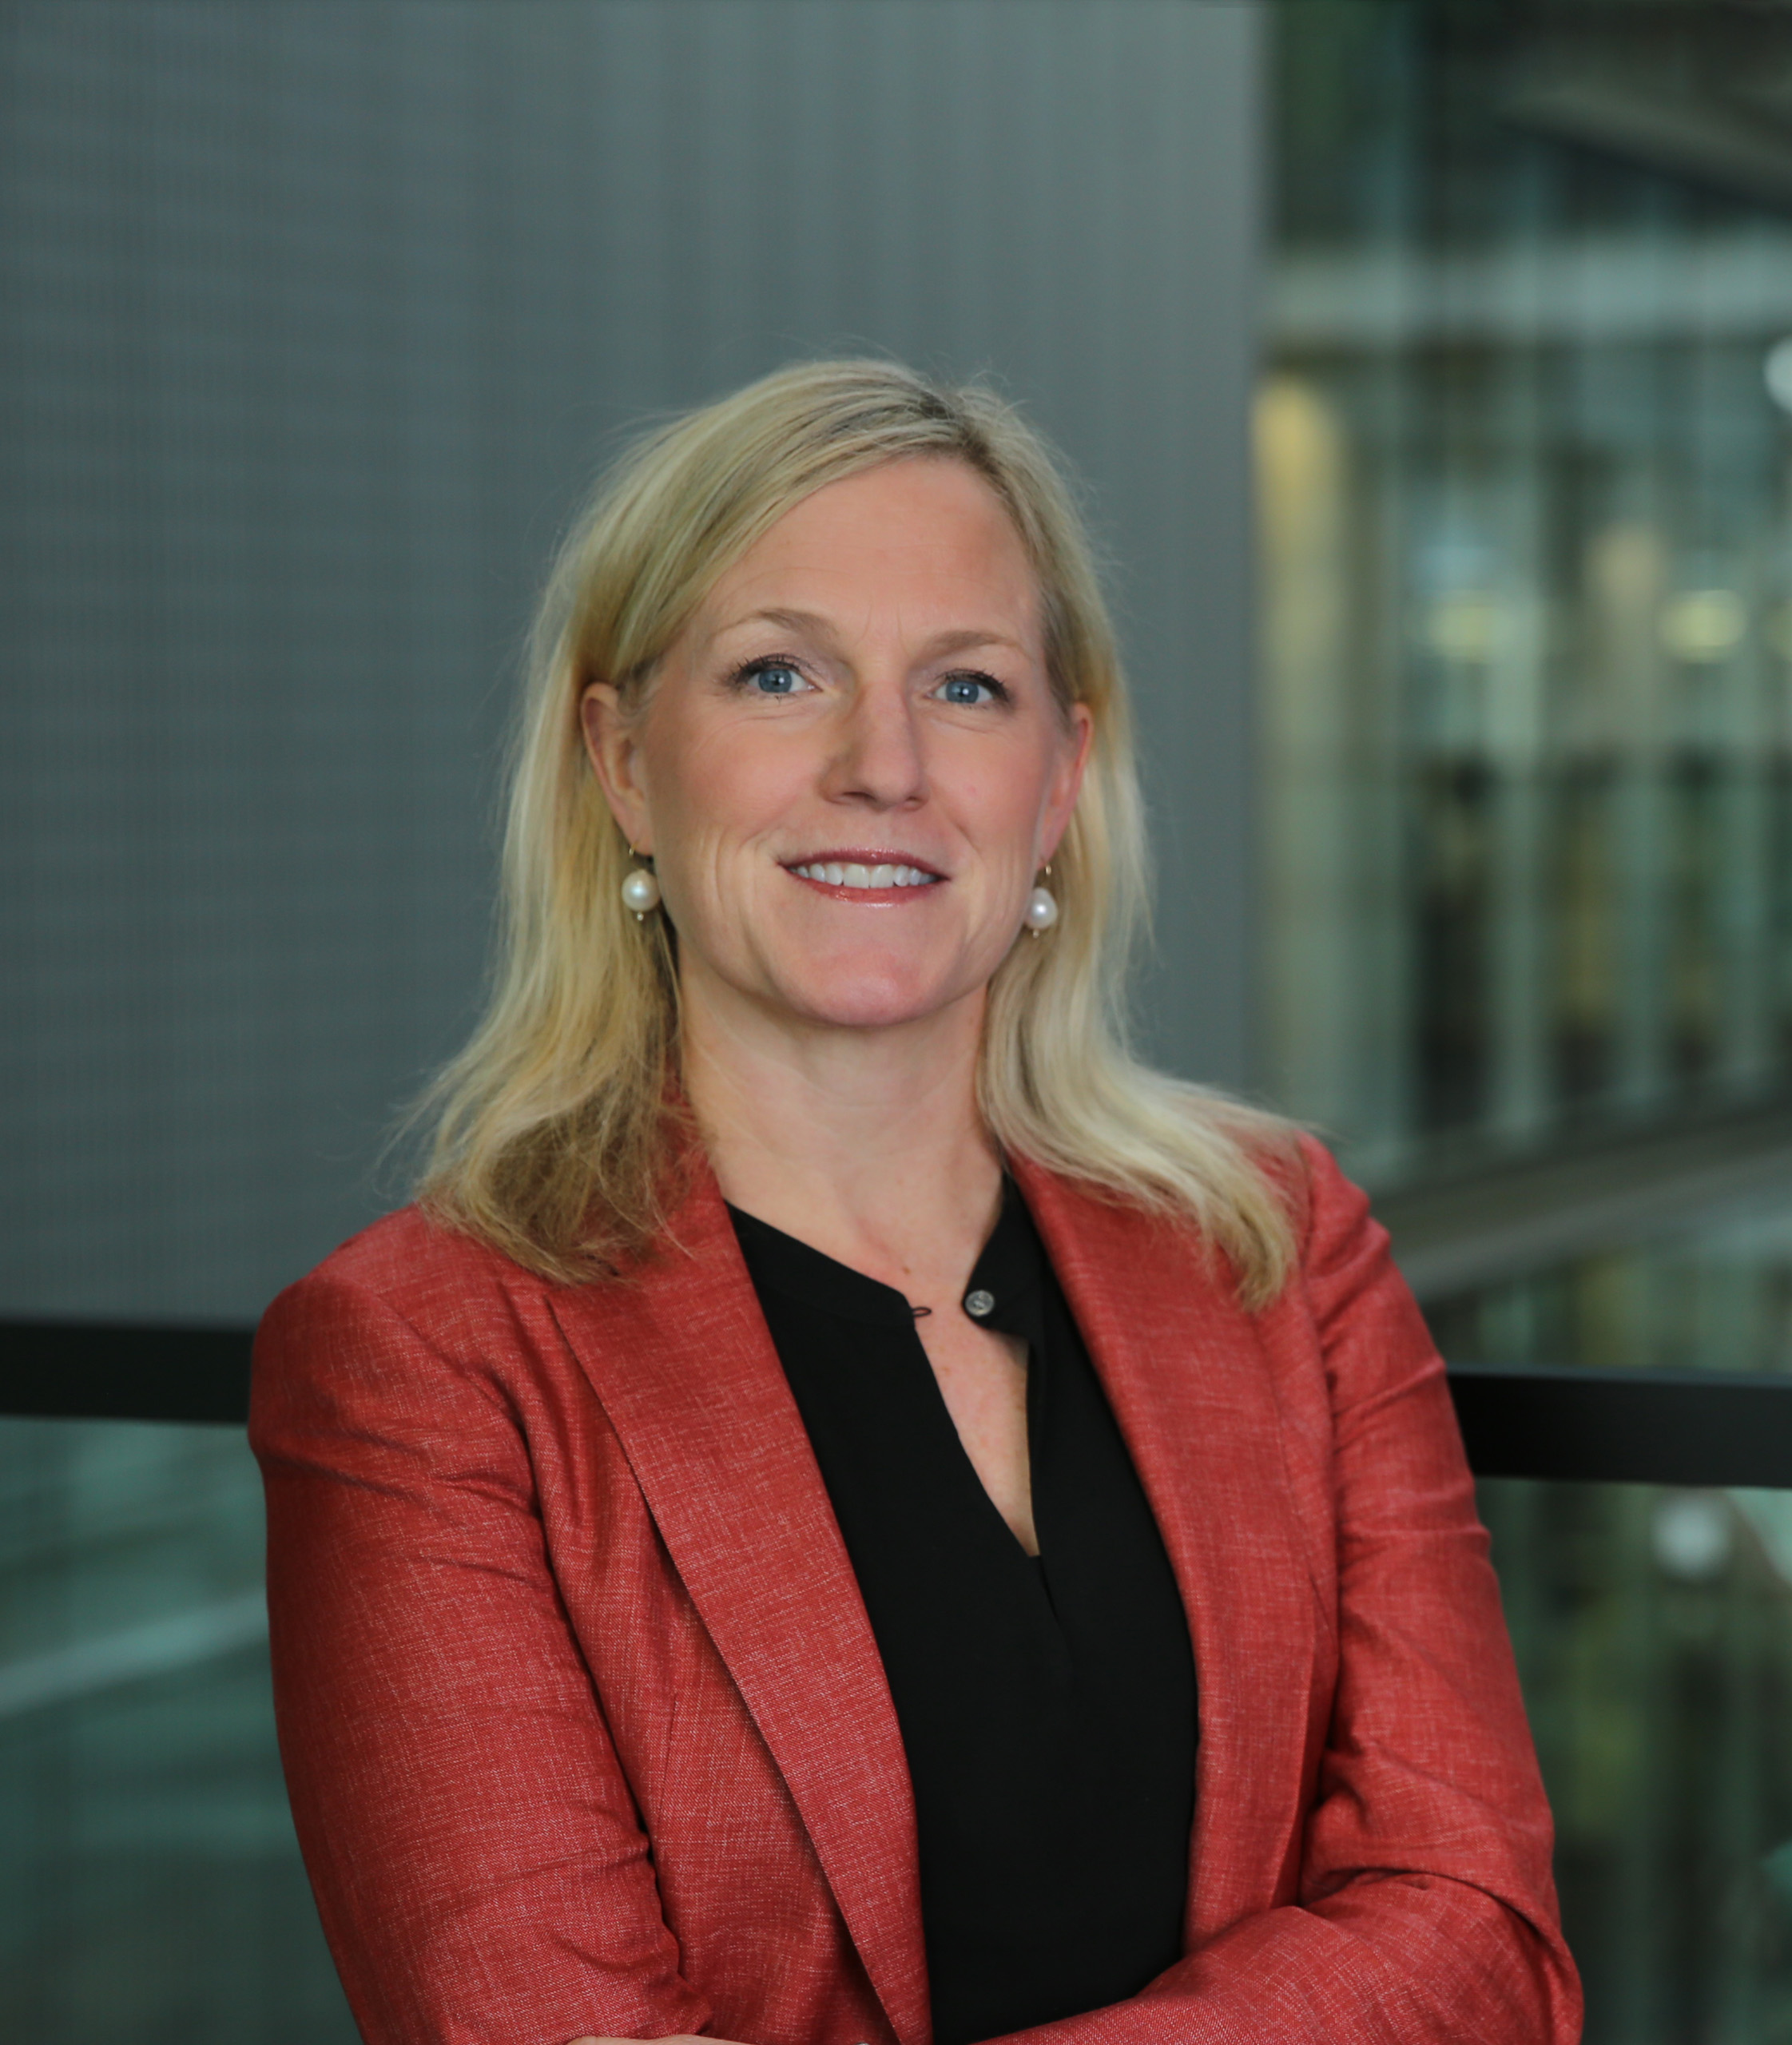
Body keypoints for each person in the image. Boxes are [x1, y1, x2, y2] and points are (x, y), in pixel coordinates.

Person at [249, 360, 1580, 2045]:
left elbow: (1482, 1931)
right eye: (780, 672)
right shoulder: (428, 1360)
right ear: (624, 761)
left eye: (965, 687)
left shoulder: (1278, 1243)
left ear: (1061, 778)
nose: (883, 762)